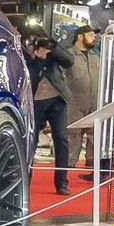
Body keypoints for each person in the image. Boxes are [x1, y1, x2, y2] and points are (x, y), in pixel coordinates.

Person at [26, 34, 74, 195]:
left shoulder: (50, 49)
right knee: (31, 141)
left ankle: (62, 183)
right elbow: (30, 77)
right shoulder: (23, 51)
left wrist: (52, 46)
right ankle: (25, 180)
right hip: (34, 101)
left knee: (62, 139)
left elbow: (69, 61)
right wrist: (39, 59)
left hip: (57, 98)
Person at [63, 24, 102, 178]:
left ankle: (93, 166)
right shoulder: (68, 55)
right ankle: (67, 167)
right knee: (72, 133)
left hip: (94, 101)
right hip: (74, 101)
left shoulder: (95, 56)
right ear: (80, 36)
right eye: (91, 35)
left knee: (95, 134)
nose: (94, 38)